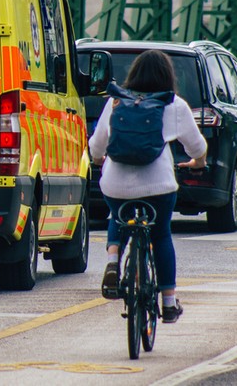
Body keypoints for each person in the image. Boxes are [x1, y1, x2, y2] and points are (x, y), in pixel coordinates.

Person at [89, 49, 207, 323]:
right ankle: (167, 302)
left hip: (116, 184)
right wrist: (198, 161)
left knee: (117, 215)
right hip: (159, 185)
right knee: (161, 234)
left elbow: (97, 145)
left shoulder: (116, 101)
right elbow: (197, 146)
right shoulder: (174, 104)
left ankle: (112, 259)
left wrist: (98, 160)